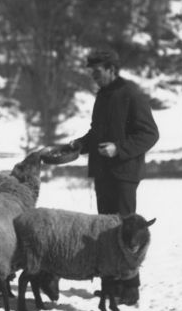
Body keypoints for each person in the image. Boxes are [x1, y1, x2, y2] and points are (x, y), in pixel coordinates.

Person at [67, 48, 159, 216]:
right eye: (91, 71)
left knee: (122, 230)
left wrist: (118, 148)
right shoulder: (102, 95)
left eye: (97, 71)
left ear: (111, 69)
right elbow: (97, 132)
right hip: (102, 174)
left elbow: (150, 134)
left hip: (124, 175)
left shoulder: (132, 94)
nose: (93, 76)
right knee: (103, 230)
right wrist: (81, 144)